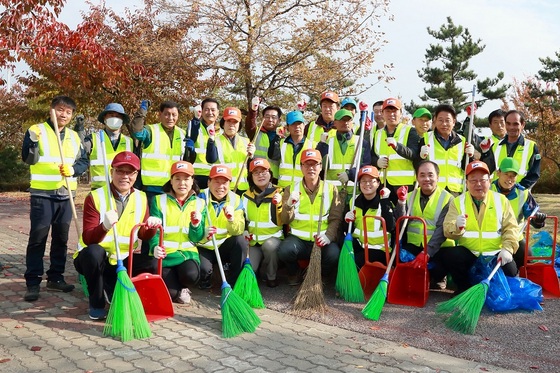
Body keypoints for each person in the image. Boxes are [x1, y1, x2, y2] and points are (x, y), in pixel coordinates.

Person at [73, 151, 158, 319]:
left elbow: (144, 235)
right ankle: (96, 302)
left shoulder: (141, 197)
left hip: (123, 258)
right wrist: (103, 226)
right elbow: (89, 239)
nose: (124, 176)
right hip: (95, 258)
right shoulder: (95, 197)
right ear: (112, 172)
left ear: (136, 175)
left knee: (153, 263)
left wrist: (152, 227)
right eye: (120, 171)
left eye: (130, 172)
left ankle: (114, 286)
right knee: (94, 253)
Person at [22, 96, 89, 302]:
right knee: (38, 237)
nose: (64, 115)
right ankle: (33, 282)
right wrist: (32, 140)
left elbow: (83, 162)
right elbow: (28, 158)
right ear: (52, 110)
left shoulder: (74, 137)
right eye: (61, 110)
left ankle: (55, 277)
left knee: (61, 238)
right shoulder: (37, 130)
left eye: (68, 112)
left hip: (66, 193)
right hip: (43, 194)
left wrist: (73, 170)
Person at [441, 161, 519, 294]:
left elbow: (511, 228)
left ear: (489, 181)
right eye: (473, 180)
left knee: (511, 271)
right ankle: (464, 289)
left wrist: (507, 249)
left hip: (494, 254)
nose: (478, 184)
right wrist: (457, 227)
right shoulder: (457, 202)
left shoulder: (501, 201)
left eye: (482, 180)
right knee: (450, 255)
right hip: (470, 253)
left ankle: (495, 290)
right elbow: (447, 230)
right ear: (466, 183)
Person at [277, 149, 344, 285]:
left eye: (315, 164)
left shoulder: (331, 189)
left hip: (322, 239)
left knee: (334, 254)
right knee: (284, 251)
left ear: (320, 167)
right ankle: (294, 273)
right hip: (299, 240)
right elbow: (285, 220)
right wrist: (289, 204)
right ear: (301, 167)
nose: (311, 168)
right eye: (306, 164)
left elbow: (335, 218)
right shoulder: (291, 189)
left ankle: (322, 276)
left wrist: (328, 236)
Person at [148, 161, 207, 304]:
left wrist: (196, 225)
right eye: (177, 179)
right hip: (165, 255)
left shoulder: (200, 203)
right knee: (171, 294)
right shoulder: (158, 200)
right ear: (171, 180)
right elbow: (154, 231)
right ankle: (175, 288)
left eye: (186, 179)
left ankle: (183, 285)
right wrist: (155, 246)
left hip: (187, 255)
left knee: (191, 275)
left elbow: (197, 238)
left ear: (192, 181)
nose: (182, 183)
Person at [396, 160, 455, 288]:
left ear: (438, 177)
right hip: (414, 245)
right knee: (399, 258)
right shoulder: (410, 196)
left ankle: (438, 277)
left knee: (443, 264)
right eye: (422, 175)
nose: (426, 179)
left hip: (438, 248)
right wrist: (401, 202)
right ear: (417, 177)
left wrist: (427, 253)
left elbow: (441, 229)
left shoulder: (448, 199)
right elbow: (400, 224)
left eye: (430, 175)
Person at [490, 157, 547, 268]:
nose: (509, 179)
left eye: (513, 175)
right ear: (498, 173)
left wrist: (538, 220)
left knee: (527, 256)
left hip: (514, 238)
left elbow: (533, 218)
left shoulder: (523, 193)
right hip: (491, 238)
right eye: (506, 174)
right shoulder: (488, 190)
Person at [197, 165, 247, 288]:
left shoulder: (235, 199)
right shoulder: (199, 197)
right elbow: (192, 229)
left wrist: (231, 219)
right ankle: (206, 279)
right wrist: (204, 232)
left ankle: (234, 283)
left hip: (224, 245)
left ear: (229, 184)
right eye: (216, 182)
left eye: (224, 183)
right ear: (208, 182)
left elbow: (238, 230)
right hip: (204, 246)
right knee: (203, 273)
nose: (220, 187)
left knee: (240, 241)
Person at [131, 100, 186, 201]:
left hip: (173, 188)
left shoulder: (183, 134)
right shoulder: (151, 131)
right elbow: (137, 132)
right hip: (152, 189)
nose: (170, 118)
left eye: (174, 115)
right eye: (167, 114)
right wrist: (142, 111)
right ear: (160, 115)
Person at [344, 166, 397, 268]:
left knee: (355, 261)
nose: (367, 184)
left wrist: (385, 201)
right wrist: (346, 221)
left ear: (378, 183)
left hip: (379, 250)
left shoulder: (385, 202)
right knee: (341, 248)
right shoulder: (353, 201)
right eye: (363, 181)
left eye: (371, 181)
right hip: (360, 245)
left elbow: (391, 226)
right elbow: (348, 229)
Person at [242, 158, 284, 288]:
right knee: (250, 270)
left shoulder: (280, 193)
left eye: (264, 171)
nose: (260, 175)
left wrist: (281, 204)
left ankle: (271, 276)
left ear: (270, 174)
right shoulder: (245, 196)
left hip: (273, 239)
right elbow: (242, 218)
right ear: (251, 177)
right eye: (256, 172)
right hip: (253, 242)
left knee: (269, 247)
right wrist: (244, 230)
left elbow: (284, 218)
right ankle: (259, 270)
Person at [417, 104, 474, 195]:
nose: (444, 124)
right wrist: (421, 156)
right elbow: (417, 164)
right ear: (435, 120)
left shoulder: (462, 141)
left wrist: (471, 156)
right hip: (433, 190)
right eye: (440, 120)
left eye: (447, 120)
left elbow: (466, 167)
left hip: (455, 190)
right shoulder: (426, 138)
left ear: (454, 122)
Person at [371, 97, 419, 205]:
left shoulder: (410, 131)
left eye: (394, 111)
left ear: (401, 113)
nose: (391, 114)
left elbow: (414, 154)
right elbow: (372, 156)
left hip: (405, 185)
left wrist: (397, 147)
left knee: (403, 218)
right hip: (383, 184)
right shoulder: (377, 133)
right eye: (388, 111)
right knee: (386, 218)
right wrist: (377, 162)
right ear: (382, 114)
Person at [481, 110, 541, 189]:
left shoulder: (531, 146)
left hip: (519, 195)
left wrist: (518, 189)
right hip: (498, 195)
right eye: (508, 124)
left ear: (522, 125)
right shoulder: (495, 146)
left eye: (515, 124)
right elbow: (486, 170)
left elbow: (534, 174)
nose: (511, 127)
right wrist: (484, 153)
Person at [316, 109, 371, 194]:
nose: (345, 123)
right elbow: (318, 164)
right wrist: (321, 145)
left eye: (348, 120)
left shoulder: (361, 142)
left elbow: (365, 166)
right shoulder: (327, 142)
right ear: (335, 123)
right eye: (342, 120)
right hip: (331, 193)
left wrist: (350, 174)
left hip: (354, 193)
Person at [83, 103, 133, 189]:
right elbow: (81, 158)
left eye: (118, 116)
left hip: (122, 190)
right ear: (104, 118)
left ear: (122, 121)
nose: (114, 118)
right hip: (99, 190)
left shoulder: (129, 142)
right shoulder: (93, 138)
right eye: (111, 115)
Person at [206, 107, 253, 192]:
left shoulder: (246, 141)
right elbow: (210, 159)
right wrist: (211, 141)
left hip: (243, 188)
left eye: (235, 122)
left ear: (239, 124)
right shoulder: (215, 140)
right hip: (223, 188)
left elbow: (250, 166)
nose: (231, 124)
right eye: (228, 121)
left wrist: (252, 156)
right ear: (223, 123)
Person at [270, 111, 315, 188]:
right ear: (287, 127)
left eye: (299, 123)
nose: (297, 127)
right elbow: (272, 156)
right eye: (293, 124)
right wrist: (276, 137)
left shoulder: (313, 145)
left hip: (303, 190)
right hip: (283, 189)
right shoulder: (281, 143)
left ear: (304, 125)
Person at [189, 98, 221, 189]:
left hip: (216, 176)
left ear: (218, 112)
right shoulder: (195, 127)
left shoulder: (222, 132)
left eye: (213, 110)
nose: (210, 112)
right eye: (206, 109)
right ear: (202, 111)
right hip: (197, 176)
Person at [245, 105, 282, 182]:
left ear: (279, 120)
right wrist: (253, 110)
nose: (270, 120)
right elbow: (249, 124)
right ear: (262, 119)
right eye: (267, 116)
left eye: (273, 117)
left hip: (274, 179)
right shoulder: (256, 133)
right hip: (257, 177)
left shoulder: (282, 138)